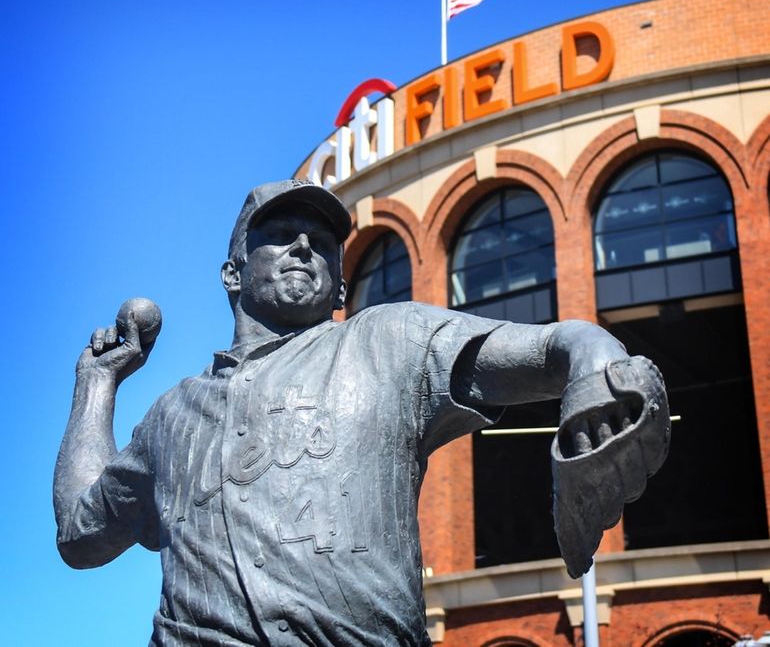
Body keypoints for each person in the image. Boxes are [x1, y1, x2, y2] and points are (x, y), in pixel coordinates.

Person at [54, 179, 669, 646]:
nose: (303, 245)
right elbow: (81, 536)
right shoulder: (170, 417)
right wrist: (97, 382)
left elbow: (547, 348)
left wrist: (597, 362)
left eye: (322, 243)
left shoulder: (390, 341)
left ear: (342, 289)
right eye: (281, 235)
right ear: (232, 273)